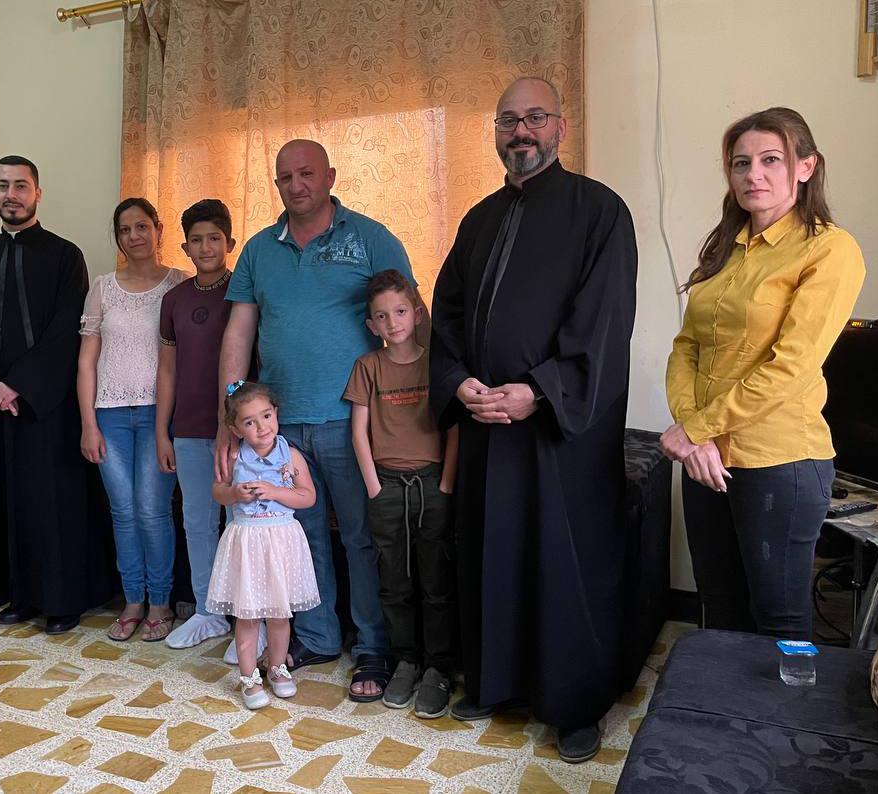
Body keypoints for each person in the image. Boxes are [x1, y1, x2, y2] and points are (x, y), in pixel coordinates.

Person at [429, 77, 637, 763]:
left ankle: (575, 703)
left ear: (560, 128)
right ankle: (495, 683)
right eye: (509, 120)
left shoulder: (600, 211)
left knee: (563, 564)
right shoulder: (479, 220)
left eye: (535, 118)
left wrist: (539, 392)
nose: (521, 131)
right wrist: (459, 384)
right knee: (492, 554)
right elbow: (447, 313)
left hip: (559, 434)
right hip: (486, 427)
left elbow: (603, 323)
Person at [217, 139, 415, 702]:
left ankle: (372, 646)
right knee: (299, 540)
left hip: (351, 422)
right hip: (274, 432)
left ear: (330, 175)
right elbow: (239, 334)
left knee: (359, 537)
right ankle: (318, 637)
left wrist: (408, 406)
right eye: (285, 177)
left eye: (306, 173)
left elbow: (405, 319)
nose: (296, 185)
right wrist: (229, 418)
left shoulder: (370, 238)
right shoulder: (259, 249)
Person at [661, 108, 864, 641]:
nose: (754, 174)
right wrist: (696, 435)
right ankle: (722, 702)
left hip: (779, 461)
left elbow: (792, 367)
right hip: (706, 459)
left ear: (806, 167)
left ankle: (785, 705)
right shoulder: (724, 251)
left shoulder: (829, 249)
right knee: (718, 610)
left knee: (779, 620)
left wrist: (695, 429)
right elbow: (686, 348)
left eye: (771, 160)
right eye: (741, 163)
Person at [0, 155, 113, 635]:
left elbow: (67, 330)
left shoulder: (65, 256)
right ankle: (21, 596)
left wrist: (19, 385)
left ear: (37, 193)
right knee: (10, 504)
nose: (11, 194)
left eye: (21, 185)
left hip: (48, 408)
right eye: (3, 185)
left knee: (54, 505)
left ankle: (62, 600)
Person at [344, 269, 458, 718]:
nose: (392, 322)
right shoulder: (368, 367)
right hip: (387, 486)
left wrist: (447, 483)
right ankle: (406, 661)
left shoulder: (438, 365)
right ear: (371, 324)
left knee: (435, 581)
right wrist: (373, 486)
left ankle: (439, 667)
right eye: (382, 316)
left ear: (416, 313)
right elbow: (359, 432)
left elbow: (454, 428)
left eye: (400, 311)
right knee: (394, 582)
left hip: (432, 483)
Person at [79, 198, 186, 642]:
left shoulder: (179, 283)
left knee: (153, 510)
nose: (134, 236)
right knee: (123, 512)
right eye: (125, 230)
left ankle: (160, 603)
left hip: (161, 415)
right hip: (109, 415)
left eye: (142, 226)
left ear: (158, 229)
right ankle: (133, 601)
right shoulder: (102, 287)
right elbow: (86, 362)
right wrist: (88, 423)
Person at [156, 199, 240, 649]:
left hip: (238, 431)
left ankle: (249, 617)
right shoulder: (175, 299)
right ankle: (209, 611)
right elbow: (167, 370)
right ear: (185, 247)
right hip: (187, 429)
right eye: (196, 240)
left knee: (242, 523)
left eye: (214, 238)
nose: (206, 247)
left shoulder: (244, 291)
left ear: (230, 242)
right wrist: (161, 431)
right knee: (197, 522)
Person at [206, 381, 319, 709]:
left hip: (281, 541)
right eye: (250, 422)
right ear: (235, 429)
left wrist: (276, 492)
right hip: (248, 542)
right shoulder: (235, 456)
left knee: (280, 614)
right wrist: (233, 494)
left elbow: (308, 496)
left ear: (276, 413)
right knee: (248, 615)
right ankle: (248, 677)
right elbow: (217, 490)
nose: (261, 427)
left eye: (266, 416)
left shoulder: (290, 455)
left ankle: (278, 667)